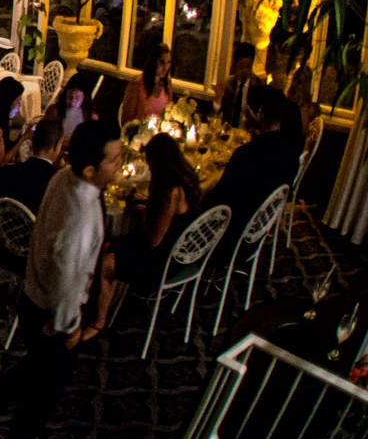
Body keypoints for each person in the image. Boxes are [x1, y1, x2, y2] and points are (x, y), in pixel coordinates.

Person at [0, 121, 121, 439]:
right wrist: (68, 329)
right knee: (42, 399)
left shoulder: (63, 177)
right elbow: (67, 281)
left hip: (33, 295)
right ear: (92, 168)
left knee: (32, 372)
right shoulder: (79, 217)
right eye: (114, 159)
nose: (119, 165)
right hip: (53, 315)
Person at [205, 87, 303, 261]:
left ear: (260, 113)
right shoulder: (291, 155)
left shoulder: (246, 155)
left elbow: (216, 201)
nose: (246, 114)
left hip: (226, 242)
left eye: (250, 110)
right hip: (256, 236)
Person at [107, 132, 202, 299]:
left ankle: (101, 318)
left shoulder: (171, 191)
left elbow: (154, 239)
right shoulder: (185, 178)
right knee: (110, 244)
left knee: (105, 261)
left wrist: (142, 212)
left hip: (166, 261)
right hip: (183, 250)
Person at [0, 117, 65, 213]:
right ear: (57, 145)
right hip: (37, 227)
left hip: (6, 226)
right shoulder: (56, 181)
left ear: (32, 142)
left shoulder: (8, 172)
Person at [120, 42, 175, 124]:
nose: (166, 67)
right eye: (162, 62)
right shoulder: (137, 83)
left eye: (168, 62)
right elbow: (126, 120)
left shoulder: (167, 83)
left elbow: (169, 114)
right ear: (153, 62)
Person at [218, 42, 261, 127]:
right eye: (241, 66)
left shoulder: (258, 86)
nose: (245, 71)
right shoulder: (228, 84)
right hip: (229, 133)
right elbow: (219, 112)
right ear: (234, 65)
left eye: (248, 66)